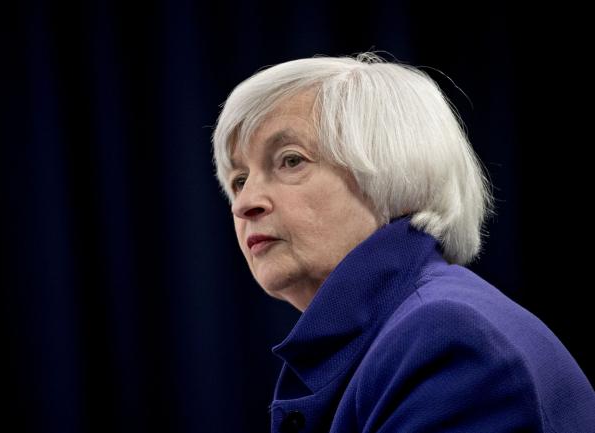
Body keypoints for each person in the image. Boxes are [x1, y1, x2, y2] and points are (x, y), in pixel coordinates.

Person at [211, 53, 595, 433]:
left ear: (396, 174)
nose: (244, 203)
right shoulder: (401, 334)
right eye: (239, 180)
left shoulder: (447, 341)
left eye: (291, 160)